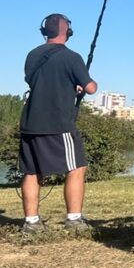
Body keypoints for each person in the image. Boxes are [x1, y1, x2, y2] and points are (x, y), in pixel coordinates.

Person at [18, 13, 98, 233]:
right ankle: (74, 219)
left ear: (45, 31)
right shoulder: (71, 57)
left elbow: (46, 82)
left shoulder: (32, 56)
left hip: (30, 121)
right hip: (58, 123)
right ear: (67, 31)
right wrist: (84, 84)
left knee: (32, 172)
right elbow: (90, 87)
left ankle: (31, 222)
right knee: (76, 167)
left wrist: (71, 86)